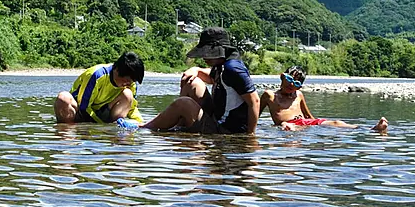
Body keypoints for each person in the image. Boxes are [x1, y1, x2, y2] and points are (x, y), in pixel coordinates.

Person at [143, 27, 260, 134]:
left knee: (183, 103)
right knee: (192, 83)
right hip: (216, 118)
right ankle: (178, 122)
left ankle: (145, 128)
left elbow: (254, 101)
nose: (204, 57)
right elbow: (211, 78)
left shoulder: (233, 69)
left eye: (207, 52)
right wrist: (196, 70)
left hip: (224, 129)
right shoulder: (222, 65)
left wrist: (251, 135)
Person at [261, 66, 389, 133]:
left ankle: (372, 129)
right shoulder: (270, 95)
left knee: (337, 123)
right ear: (282, 77)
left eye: (297, 83)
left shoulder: (298, 95)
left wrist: (318, 125)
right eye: (289, 80)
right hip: (287, 124)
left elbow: (308, 116)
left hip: (304, 123)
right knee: (286, 126)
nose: (292, 85)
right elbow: (255, 112)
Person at [54, 51, 145, 124]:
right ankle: (68, 132)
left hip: (103, 113)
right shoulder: (97, 75)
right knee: (63, 97)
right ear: (117, 70)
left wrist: (140, 123)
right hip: (80, 111)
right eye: (126, 80)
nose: (129, 84)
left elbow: (132, 108)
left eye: (132, 81)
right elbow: (84, 107)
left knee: (128, 94)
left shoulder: (131, 84)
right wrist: (100, 126)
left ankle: (115, 128)